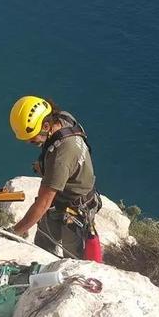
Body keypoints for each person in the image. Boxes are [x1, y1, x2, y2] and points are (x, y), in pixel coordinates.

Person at [8, 96, 101, 260]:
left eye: (32, 137)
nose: (29, 142)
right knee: (44, 247)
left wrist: (13, 233)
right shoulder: (64, 119)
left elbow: (43, 203)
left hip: (74, 211)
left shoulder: (61, 156)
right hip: (69, 196)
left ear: (45, 125)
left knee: (73, 261)